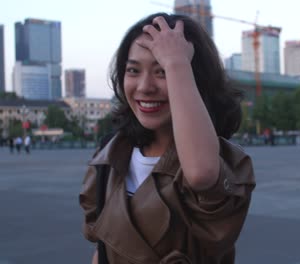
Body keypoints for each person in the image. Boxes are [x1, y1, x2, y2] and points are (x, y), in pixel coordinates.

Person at [79, 13, 255, 264]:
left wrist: (176, 63)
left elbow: (201, 174)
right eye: (133, 70)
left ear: (194, 80)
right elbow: (104, 249)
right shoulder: (110, 154)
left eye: (162, 71)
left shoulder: (224, 162)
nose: (144, 86)